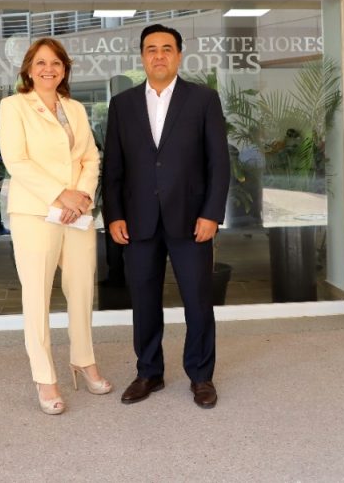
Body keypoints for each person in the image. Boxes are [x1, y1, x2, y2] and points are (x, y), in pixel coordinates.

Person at [103, 24, 230, 409]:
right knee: (144, 301)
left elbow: (219, 162)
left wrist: (211, 214)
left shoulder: (203, 99)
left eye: (166, 48)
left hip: (192, 221)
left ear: (179, 55)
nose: (159, 55)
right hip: (138, 221)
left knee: (198, 301)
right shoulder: (122, 104)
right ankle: (149, 372)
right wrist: (114, 215)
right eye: (151, 49)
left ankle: (201, 376)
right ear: (142, 57)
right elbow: (113, 167)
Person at [0, 37, 110, 415]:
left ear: (65, 70)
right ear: (29, 69)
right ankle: (45, 377)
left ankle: (84, 360)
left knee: (81, 290)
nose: (49, 69)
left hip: (77, 213)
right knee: (37, 297)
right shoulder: (14, 106)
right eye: (41, 63)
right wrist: (61, 196)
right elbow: (17, 161)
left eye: (56, 63)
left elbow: (90, 157)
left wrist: (82, 196)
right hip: (35, 213)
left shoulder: (75, 108)